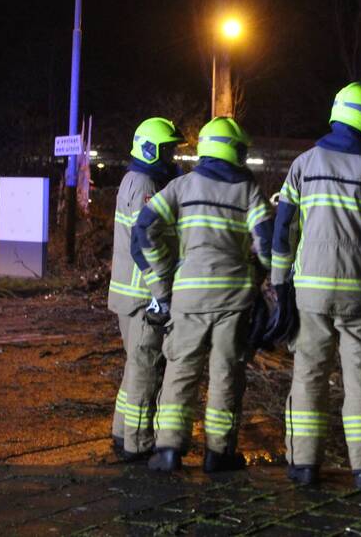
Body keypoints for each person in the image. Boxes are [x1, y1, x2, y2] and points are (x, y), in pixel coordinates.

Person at [265, 81, 361, 490]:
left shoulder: (303, 165)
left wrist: (280, 285)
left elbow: (282, 231)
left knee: (308, 375)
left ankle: (304, 465)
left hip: (310, 290)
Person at [132, 117, 273, 473]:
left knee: (180, 371)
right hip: (234, 298)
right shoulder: (248, 190)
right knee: (227, 373)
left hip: (188, 297)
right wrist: (258, 277)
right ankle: (219, 453)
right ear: (233, 149)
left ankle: (168, 450)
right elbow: (268, 244)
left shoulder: (181, 186)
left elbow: (145, 229)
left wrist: (162, 283)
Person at [108, 117, 183, 461]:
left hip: (132, 292)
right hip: (144, 295)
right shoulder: (145, 183)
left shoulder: (134, 179)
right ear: (150, 149)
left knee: (135, 366)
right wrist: (162, 293)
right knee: (146, 367)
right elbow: (146, 241)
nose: (172, 156)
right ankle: (137, 443)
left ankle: (122, 433)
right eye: (167, 150)